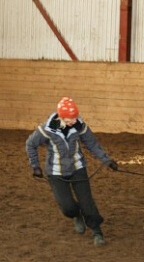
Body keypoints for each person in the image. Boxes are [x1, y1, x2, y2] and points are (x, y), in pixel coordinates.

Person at [25, 96, 119, 246]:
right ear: (61, 117)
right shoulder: (47, 129)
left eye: (75, 117)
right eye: (70, 118)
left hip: (77, 168)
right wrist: (35, 166)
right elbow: (30, 144)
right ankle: (76, 215)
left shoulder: (80, 126)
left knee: (87, 202)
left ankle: (97, 231)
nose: (74, 120)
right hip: (56, 172)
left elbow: (92, 144)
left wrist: (107, 160)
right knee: (67, 207)